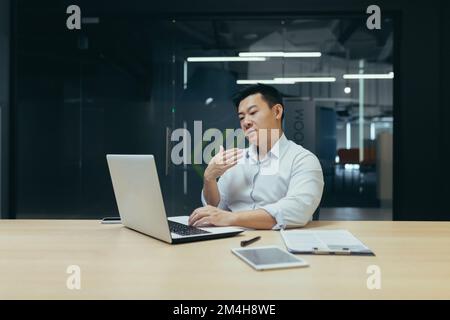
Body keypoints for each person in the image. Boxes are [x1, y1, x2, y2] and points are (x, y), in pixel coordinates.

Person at [188, 84, 324, 229]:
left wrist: (231, 218)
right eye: (241, 117)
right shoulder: (236, 159)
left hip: (279, 242)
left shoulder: (303, 160)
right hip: (230, 241)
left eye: (253, 113)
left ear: (277, 112)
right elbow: (215, 208)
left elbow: (297, 210)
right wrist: (209, 178)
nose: (246, 122)